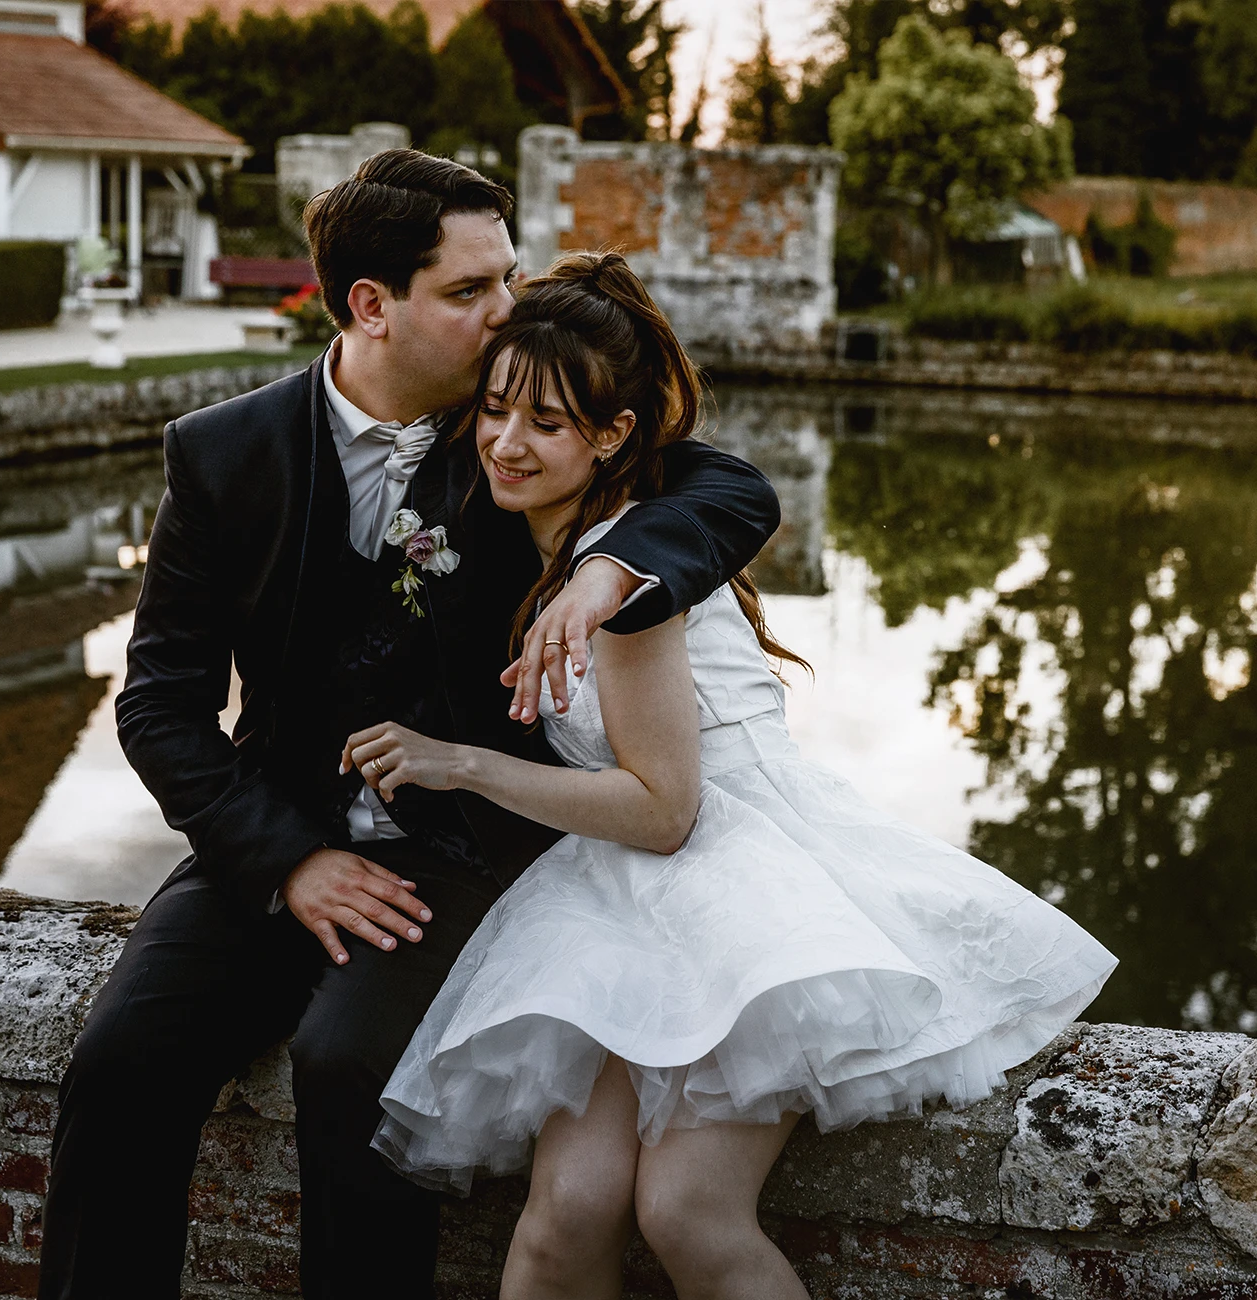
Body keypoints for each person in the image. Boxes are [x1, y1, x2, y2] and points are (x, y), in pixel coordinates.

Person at [35, 156, 781, 1299]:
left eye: (509, 277)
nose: (509, 310)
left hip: (460, 847)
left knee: (352, 1070)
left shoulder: (510, 429)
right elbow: (159, 702)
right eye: (472, 289)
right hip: (271, 831)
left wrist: (609, 570)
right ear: (371, 305)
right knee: (121, 1061)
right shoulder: (224, 453)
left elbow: (728, 492)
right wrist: (288, 861)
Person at [343, 251, 1120, 1300]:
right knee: (565, 1212)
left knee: (686, 1209)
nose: (506, 443)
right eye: (494, 410)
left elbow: (666, 809)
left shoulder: (627, 571)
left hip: (743, 877)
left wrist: (463, 765)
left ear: (611, 436)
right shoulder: (546, 538)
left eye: (547, 423)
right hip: (619, 892)